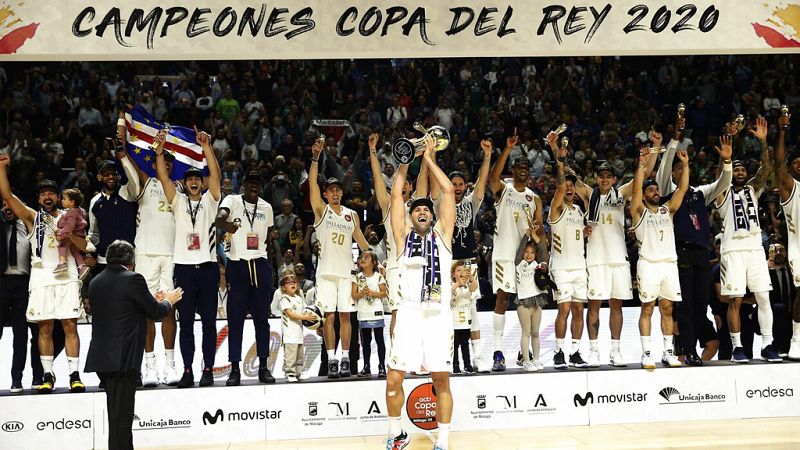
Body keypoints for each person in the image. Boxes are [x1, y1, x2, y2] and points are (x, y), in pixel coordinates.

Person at [550, 132, 658, 368]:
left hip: (619, 258)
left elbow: (645, 174)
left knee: (617, 305)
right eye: (602, 176)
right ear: (597, 178)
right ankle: (594, 350)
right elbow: (570, 176)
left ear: (614, 179)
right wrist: (559, 150)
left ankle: (615, 351)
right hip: (596, 259)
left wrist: (653, 150)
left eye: (609, 176)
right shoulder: (589, 194)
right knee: (595, 305)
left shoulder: (622, 194)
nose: (605, 180)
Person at [385, 135, 455, 450]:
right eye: (417, 210)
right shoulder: (402, 239)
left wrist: (428, 157)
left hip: (439, 314)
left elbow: (450, 191)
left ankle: (443, 440)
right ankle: (396, 433)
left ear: (433, 215)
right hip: (410, 312)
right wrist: (406, 159)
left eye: (427, 209)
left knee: (441, 379)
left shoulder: (443, 237)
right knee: (393, 381)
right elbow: (396, 196)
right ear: (412, 217)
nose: (422, 212)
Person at [0, 154, 88, 393]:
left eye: (51, 193)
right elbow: (7, 196)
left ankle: (74, 375)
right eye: (43, 194)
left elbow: (85, 247)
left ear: (58, 197)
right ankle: (47, 375)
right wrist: (2, 168)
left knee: (70, 325)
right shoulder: (32, 218)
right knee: (45, 328)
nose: (48, 197)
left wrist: (69, 236)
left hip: (67, 274)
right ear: (38, 198)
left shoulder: (71, 217)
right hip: (41, 277)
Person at [84, 240, 182, 450]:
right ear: (131, 260)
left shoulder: (96, 281)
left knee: (117, 414)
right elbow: (156, 312)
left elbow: (123, 307)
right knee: (122, 416)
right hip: (123, 358)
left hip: (103, 357)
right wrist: (168, 301)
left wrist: (152, 300)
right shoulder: (133, 279)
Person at [655, 116, 731, 366]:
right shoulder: (667, 190)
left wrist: (727, 162)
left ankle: (697, 344)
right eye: (677, 168)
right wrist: (675, 138)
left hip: (702, 253)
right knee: (685, 303)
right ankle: (688, 349)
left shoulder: (700, 192)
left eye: (682, 167)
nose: (679, 170)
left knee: (700, 302)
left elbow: (723, 184)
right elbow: (665, 165)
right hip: (681, 252)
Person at [154, 126, 222, 387]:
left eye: (198, 178)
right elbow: (162, 177)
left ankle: (207, 368)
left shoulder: (211, 200)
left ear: (202, 183)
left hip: (206, 267)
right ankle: (186, 371)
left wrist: (206, 147)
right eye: (190, 178)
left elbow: (215, 174)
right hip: (183, 268)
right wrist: (160, 152)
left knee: (208, 323)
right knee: (185, 325)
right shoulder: (178, 200)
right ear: (185, 182)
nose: (194, 181)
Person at [117, 117, 181, 387]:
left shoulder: (180, 189)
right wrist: (122, 141)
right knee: (146, 311)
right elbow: (129, 161)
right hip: (145, 255)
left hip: (171, 255)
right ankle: (150, 364)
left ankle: (170, 364)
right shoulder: (145, 183)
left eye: (167, 162)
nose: (162, 165)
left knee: (169, 311)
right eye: (159, 161)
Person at [715, 117, 780, 363]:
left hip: (754, 249)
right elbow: (721, 175)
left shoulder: (753, 189)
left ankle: (768, 344)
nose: (740, 172)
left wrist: (763, 142)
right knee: (736, 300)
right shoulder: (722, 192)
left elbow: (766, 168)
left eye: (743, 170)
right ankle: (737, 347)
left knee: (764, 297)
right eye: (737, 170)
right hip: (733, 250)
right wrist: (726, 156)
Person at [425, 137, 493, 371]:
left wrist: (486, 156)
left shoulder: (471, 203)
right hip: (446, 263)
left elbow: (483, 180)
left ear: (465, 186)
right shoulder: (439, 205)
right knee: (445, 310)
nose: (456, 187)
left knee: (471, 311)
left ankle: (476, 358)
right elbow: (434, 184)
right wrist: (431, 155)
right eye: (452, 183)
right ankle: (445, 357)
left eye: (460, 184)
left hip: (468, 262)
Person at [309, 136, 369, 379]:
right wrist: (315, 158)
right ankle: (331, 359)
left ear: (341, 193)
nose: (335, 193)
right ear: (325, 194)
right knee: (329, 316)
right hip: (325, 272)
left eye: (338, 190)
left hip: (346, 272)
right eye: (331, 190)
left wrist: (377, 260)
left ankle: (345, 358)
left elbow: (362, 243)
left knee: (346, 316)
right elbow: (312, 183)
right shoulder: (320, 210)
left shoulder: (351, 214)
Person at [488, 129, 545, 371]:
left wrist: (536, 232)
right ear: (513, 171)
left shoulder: (535, 199)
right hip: (503, 254)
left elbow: (540, 234)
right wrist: (508, 149)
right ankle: (498, 351)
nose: (523, 169)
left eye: (526, 167)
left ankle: (525, 354)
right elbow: (492, 177)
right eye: (518, 166)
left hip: (524, 259)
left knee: (527, 303)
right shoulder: (504, 189)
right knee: (502, 299)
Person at [215, 169, 276, 385]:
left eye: (257, 183)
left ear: (260, 186)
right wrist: (225, 223)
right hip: (238, 265)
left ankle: (264, 367)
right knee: (235, 320)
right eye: (249, 182)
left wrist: (269, 267)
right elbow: (220, 217)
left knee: (262, 320)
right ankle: (234, 369)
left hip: (259, 264)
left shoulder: (267, 207)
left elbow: (268, 237)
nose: (253, 186)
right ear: (243, 184)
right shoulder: (232, 200)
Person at [630, 147, 688, 369]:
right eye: (651, 189)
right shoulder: (638, 212)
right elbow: (636, 189)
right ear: (645, 195)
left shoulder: (667, 210)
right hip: (648, 265)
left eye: (656, 189)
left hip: (668, 265)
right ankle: (646, 353)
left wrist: (686, 164)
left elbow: (682, 188)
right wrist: (641, 166)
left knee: (667, 309)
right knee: (647, 308)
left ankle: (668, 352)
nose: (655, 191)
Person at [547, 138, 588, 369]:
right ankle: (559, 351)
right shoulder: (557, 207)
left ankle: (575, 351)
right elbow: (561, 186)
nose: (570, 188)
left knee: (578, 310)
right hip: (561, 266)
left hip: (579, 266)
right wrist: (559, 158)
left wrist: (586, 232)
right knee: (563, 309)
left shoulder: (579, 211)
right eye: (567, 185)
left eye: (573, 185)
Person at [1, 200, 44, 392]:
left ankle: (20, 379)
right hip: (1, 283)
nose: (7, 208)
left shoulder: (28, 226)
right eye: (3, 205)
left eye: (9, 205)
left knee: (22, 334)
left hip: (23, 284)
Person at [772, 111, 800, 360]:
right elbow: (778, 164)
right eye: (796, 163)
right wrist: (782, 131)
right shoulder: (791, 188)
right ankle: (796, 341)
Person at [515, 226, 549, 371]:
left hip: (537, 301)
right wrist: (526, 234)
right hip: (523, 301)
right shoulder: (518, 263)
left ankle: (536, 359)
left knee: (536, 332)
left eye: (532, 253)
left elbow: (542, 249)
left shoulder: (538, 264)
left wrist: (534, 235)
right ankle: (526, 361)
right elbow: (521, 246)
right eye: (526, 252)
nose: (529, 255)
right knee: (526, 331)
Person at [352, 250, 388, 378]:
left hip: (377, 311)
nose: (362, 259)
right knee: (365, 341)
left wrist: (372, 292)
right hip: (364, 313)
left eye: (366, 257)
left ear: (373, 263)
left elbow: (384, 293)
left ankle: (382, 366)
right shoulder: (357, 277)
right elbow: (354, 295)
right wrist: (362, 293)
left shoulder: (379, 276)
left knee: (379, 340)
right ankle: (366, 366)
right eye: (361, 257)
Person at [279, 270, 313, 383]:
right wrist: (305, 318)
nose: (293, 284)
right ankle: (290, 373)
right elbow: (291, 314)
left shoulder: (299, 298)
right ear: (283, 287)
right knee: (290, 356)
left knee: (299, 355)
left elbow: (304, 311)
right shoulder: (284, 299)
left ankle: (299, 372)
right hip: (289, 334)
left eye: (294, 282)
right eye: (289, 283)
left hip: (299, 333)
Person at [54, 188, 91, 278]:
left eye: (64, 199)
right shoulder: (81, 210)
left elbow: (69, 227)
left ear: (72, 202)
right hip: (81, 234)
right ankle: (82, 267)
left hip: (73, 234)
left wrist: (61, 234)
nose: (62, 200)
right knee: (75, 251)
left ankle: (62, 263)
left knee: (62, 246)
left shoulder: (71, 213)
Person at [451, 260, 476, 374]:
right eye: (458, 270)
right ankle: (455, 365)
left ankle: (467, 364)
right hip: (454, 323)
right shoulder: (452, 287)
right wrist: (458, 284)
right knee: (454, 345)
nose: (461, 272)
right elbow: (449, 293)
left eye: (463, 270)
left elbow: (474, 287)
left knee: (465, 344)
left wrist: (470, 277)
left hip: (465, 322)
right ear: (453, 274)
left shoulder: (467, 287)